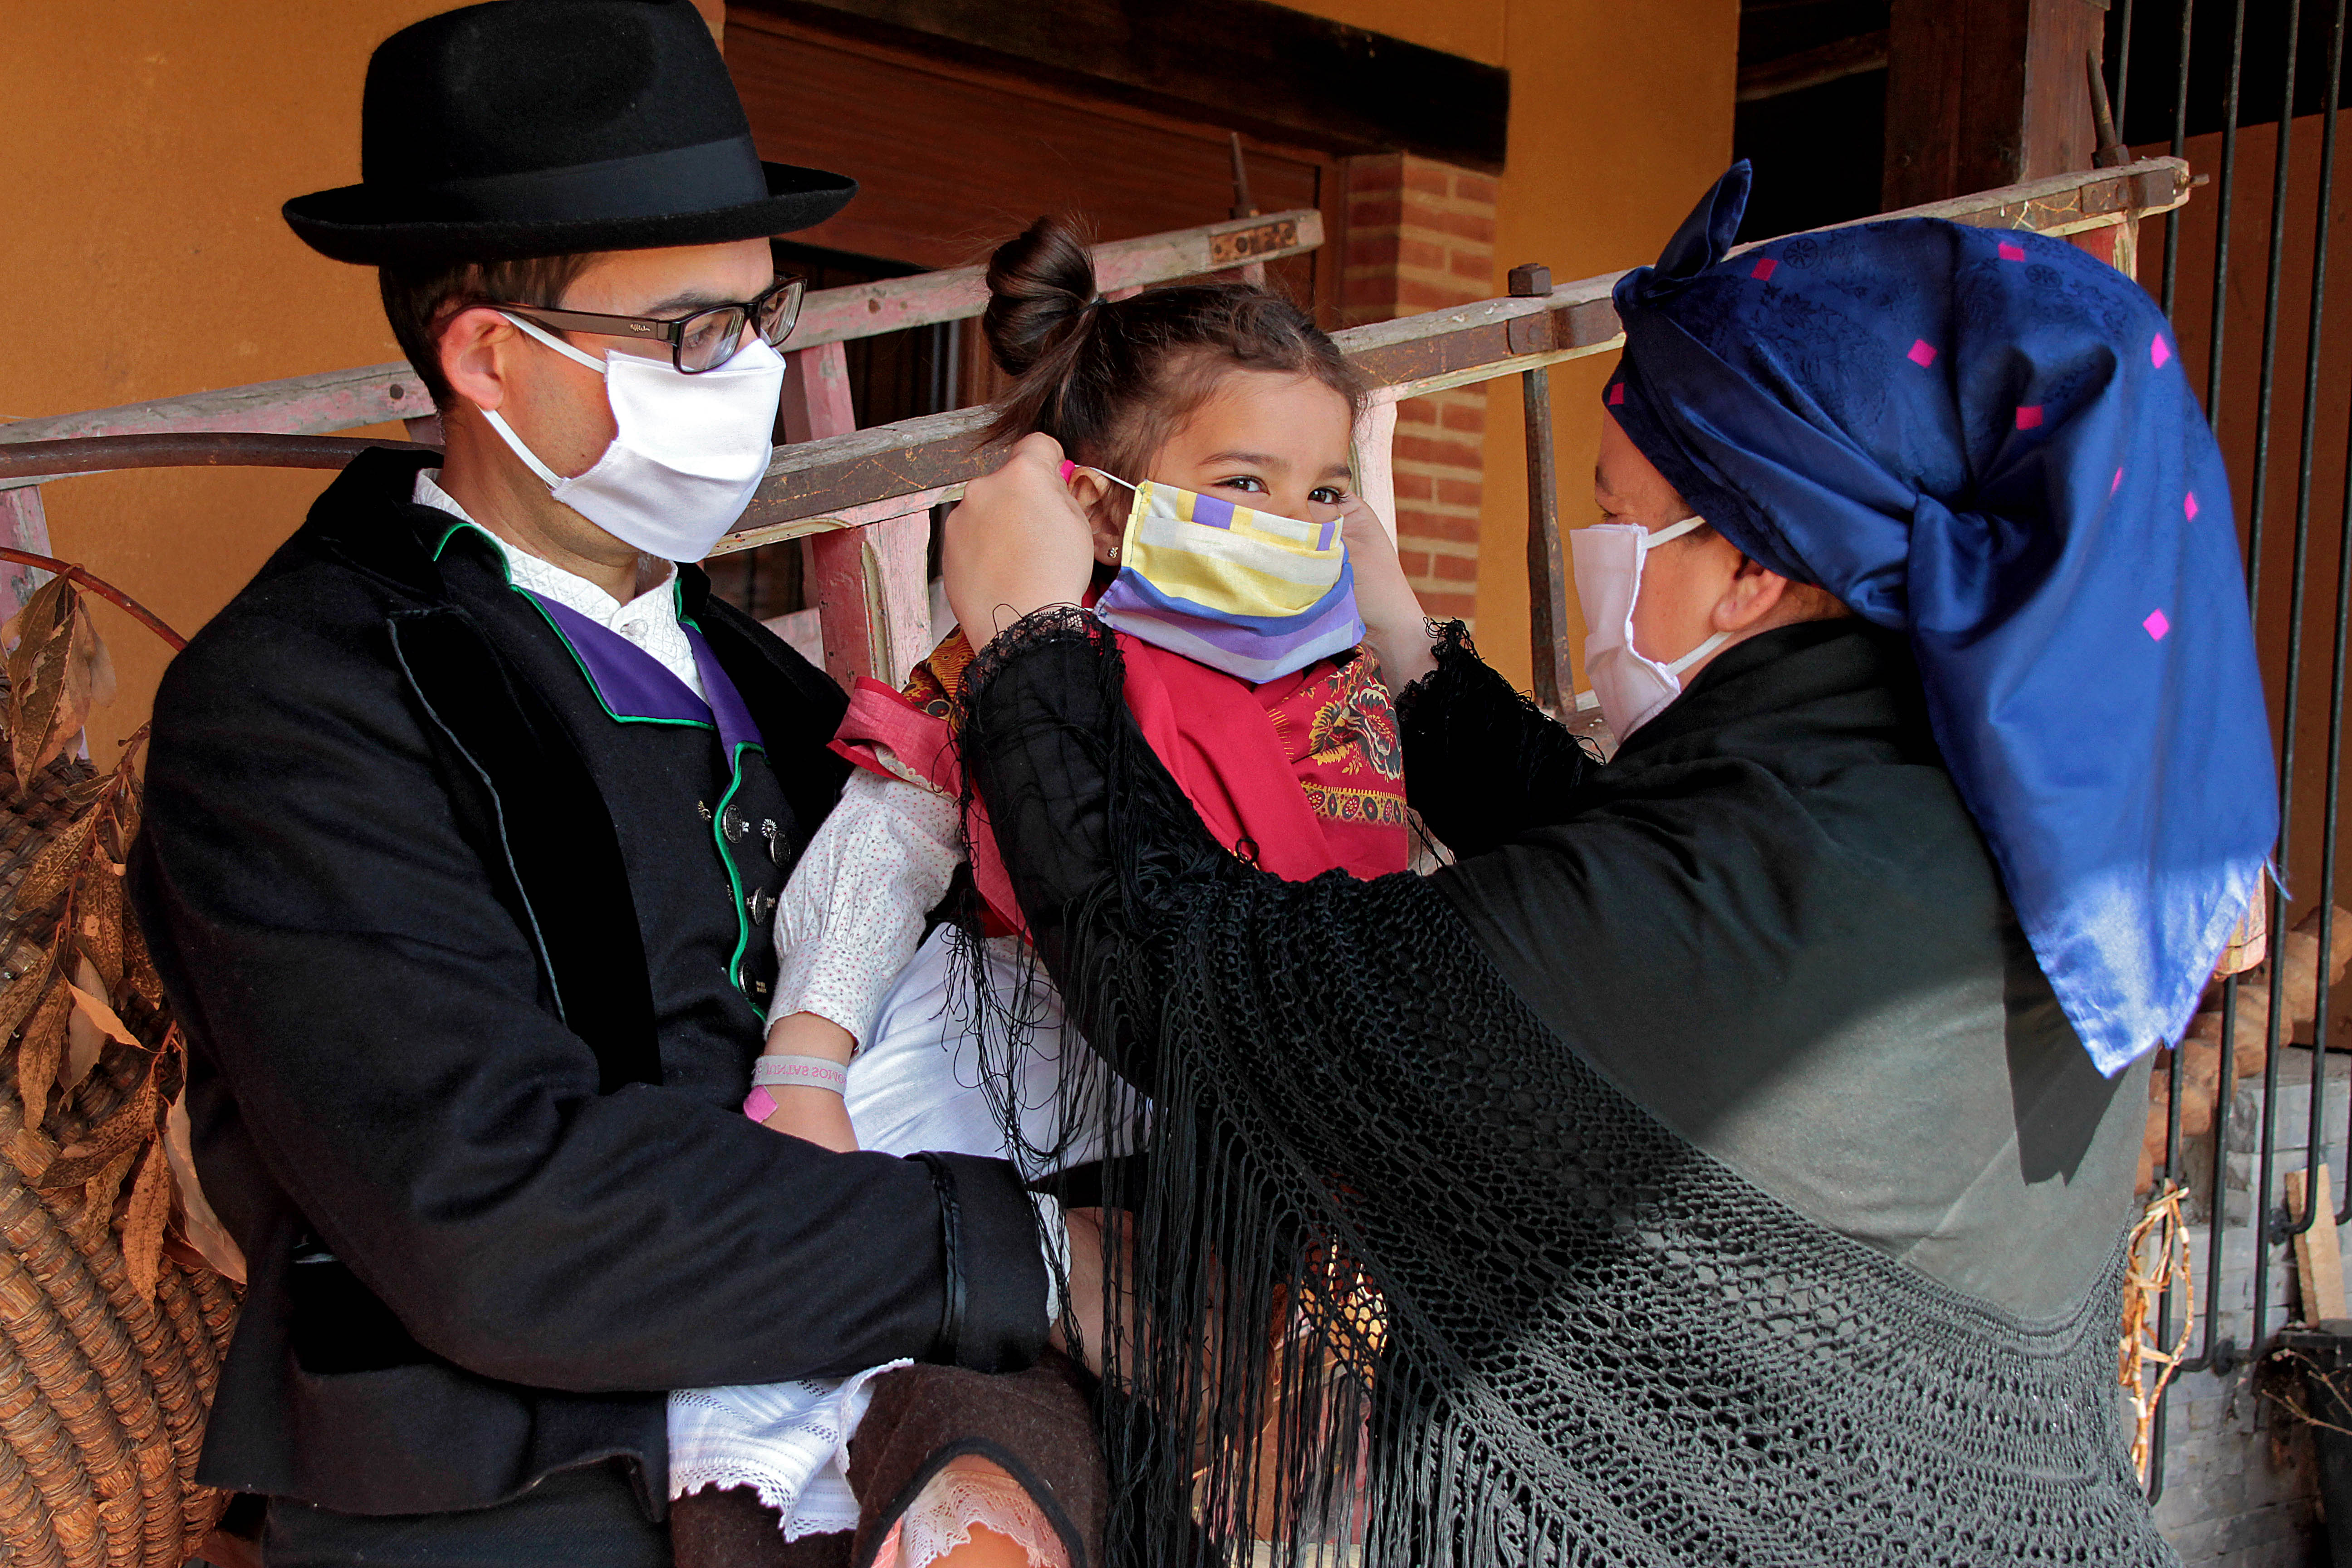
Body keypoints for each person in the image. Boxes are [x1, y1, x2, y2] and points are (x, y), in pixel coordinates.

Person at [934, 163, 2276, 1563]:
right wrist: (1407, 662)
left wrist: (1031, 647)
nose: (1594, 553)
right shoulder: (1959, 801)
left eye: (1614, 510)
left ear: (1754, 569)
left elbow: (1195, 983)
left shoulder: (1709, 920)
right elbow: (1606, 845)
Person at [126, 5, 1062, 1564]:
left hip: (859, 1453)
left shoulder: (781, 694)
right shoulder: (296, 703)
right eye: (696, 336)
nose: (749, 373)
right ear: (489, 354)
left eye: (766, 319)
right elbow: (493, 1208)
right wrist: (1026, 1259)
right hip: (514, 1498)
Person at [665, 213, 1409, 1566]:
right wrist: (808, 1062)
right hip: (1005, 1073)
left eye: (1325, 493)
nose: (1298, 528)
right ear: (1104, 503)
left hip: (1233, 1107)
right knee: (905, 1347)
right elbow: (890, 846)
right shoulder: (1030, 656)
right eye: (1244, 481)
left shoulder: (1339, 697)